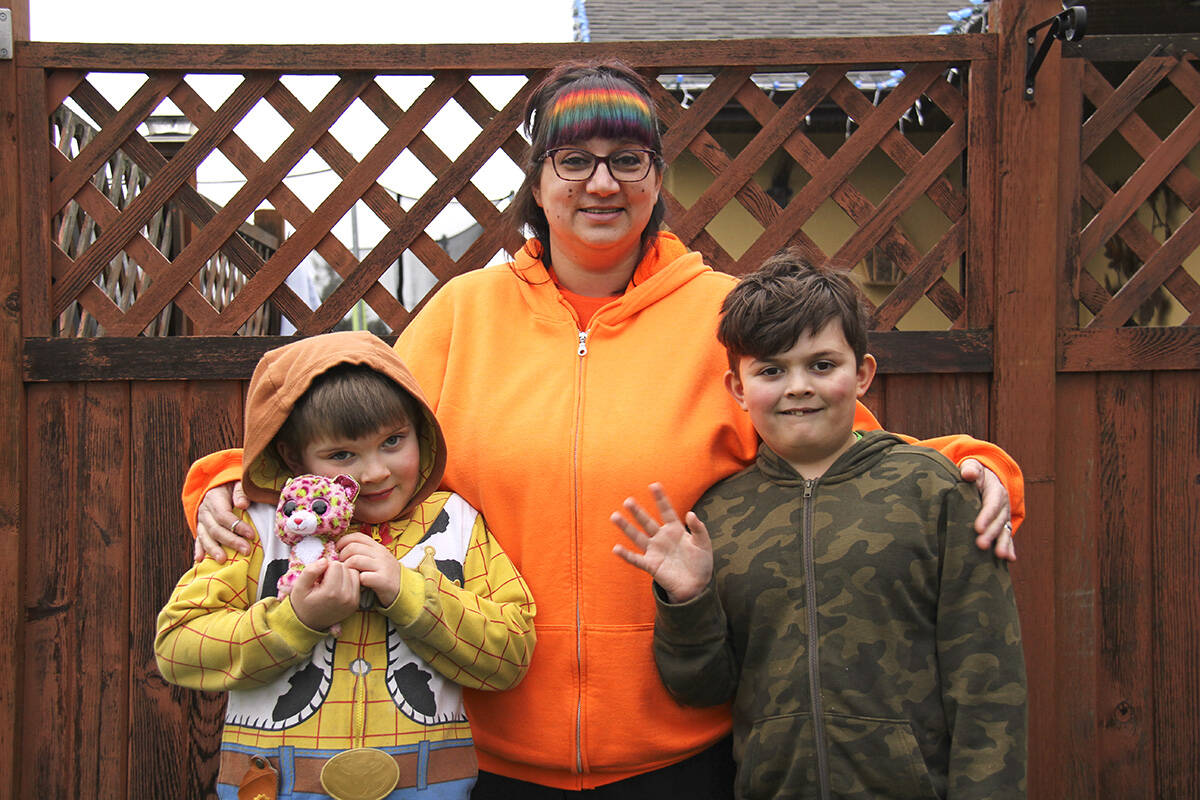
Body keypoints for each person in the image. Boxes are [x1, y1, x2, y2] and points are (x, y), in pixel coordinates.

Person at [181, 60, 1024, 797]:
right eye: (574, 160)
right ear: (536, 181)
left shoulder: (720, 316)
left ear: (658, 176)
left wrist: (969, 462)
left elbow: (837, 442)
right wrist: (229, 480)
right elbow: (353, 433)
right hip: (482, 746)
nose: (601, 184)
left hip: (683, 748)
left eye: (629, 160)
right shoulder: (461, 315)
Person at [612, 252, 1027, 799]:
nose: (798, 386)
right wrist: (688, 601)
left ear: (863, 375)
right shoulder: (720, 518)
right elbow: (702, 688)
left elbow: (988, 686)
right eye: (771, 370)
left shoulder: (935, 493)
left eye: (822, 365)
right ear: (737, 389)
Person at [156, 331, 536, 800]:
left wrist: (408, 593)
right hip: (276, 783)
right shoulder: (253, 527)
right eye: (342, 455)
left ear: (421, 430)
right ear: (293, 457)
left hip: (430, 785)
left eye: (394, 441)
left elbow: (512, 655)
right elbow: (176, 647)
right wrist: (294, 622)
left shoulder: (455, 523)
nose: (375, 471)